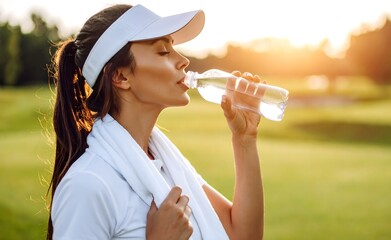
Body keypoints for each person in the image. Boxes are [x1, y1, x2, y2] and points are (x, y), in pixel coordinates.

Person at [47, 3, 264, 240]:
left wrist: (244, 140)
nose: (183, 61)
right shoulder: (87, 185)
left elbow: (243, 235)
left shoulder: (166, 164)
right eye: (163, 51)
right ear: (120, 76)